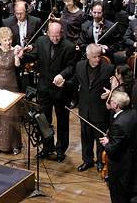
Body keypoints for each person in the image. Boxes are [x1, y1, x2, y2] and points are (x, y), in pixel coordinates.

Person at [21, 22, 76, 162]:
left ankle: (60, 149)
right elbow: (33, 56)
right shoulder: (41, 41)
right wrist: (22, 55)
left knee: (62, 121)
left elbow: (71, 67)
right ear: (48, 33)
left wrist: (62, 75)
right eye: (52, 36)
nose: (55, 39)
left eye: (57, 36)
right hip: (44, 88)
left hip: (60, 90)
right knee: (44, 120)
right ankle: (47, 147)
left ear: (61, 33)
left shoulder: (69, 46)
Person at [74, 44, 114, 172]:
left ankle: (101, 162)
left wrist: (110, 93)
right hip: (84, 109)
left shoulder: (108, 68)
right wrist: (63, 83)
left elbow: (116, 87)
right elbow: (75, 83)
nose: (97, 59)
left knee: (100, 139)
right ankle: (87, 161)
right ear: (88, 56)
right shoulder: (79, 66)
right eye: (94, 57)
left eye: (99, 56)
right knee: (85, 137)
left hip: (100, 110)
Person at [99, 91, 137, 203]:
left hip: (121, 166)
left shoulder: (118, 124)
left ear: (116, 105)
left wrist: (106, 142)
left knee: (118, 196)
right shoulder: (134, 113)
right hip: (133, 161)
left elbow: (112, 149)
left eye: (111, 101)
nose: (109, 102)